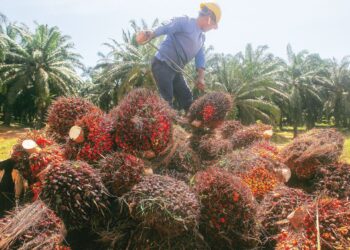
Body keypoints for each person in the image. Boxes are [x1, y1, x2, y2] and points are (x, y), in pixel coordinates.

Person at [136, 2, 221, 111]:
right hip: (162, 64)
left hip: (176, 70)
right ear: (209, 19)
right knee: (166, 99)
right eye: (214, 25)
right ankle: (164, 125)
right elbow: (167, 26)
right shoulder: (185, 21)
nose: (213, 28)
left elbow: (200, 58)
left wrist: (201, 78)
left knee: (187, 99)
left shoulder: (201, 38)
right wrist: (150, 33)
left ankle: (195, 123)